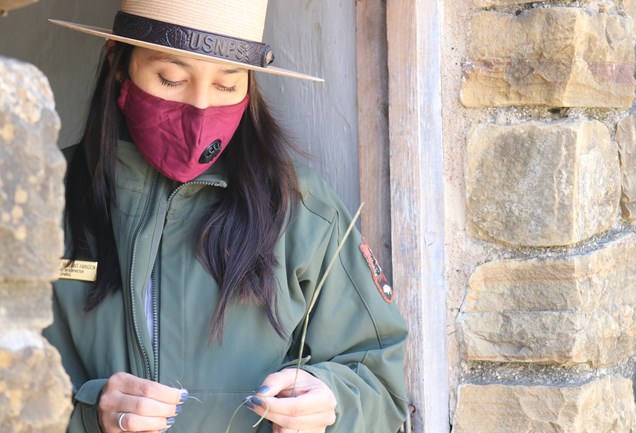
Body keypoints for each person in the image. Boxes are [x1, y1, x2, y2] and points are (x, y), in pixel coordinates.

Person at [44, 1, 409, 433]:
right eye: (171, 78)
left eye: (226, 84)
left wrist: (331, 401)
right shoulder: (37, 200)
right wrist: (87, 415)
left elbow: (382, 388)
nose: (200, 110)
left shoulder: (301, 208)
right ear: (118, 63)